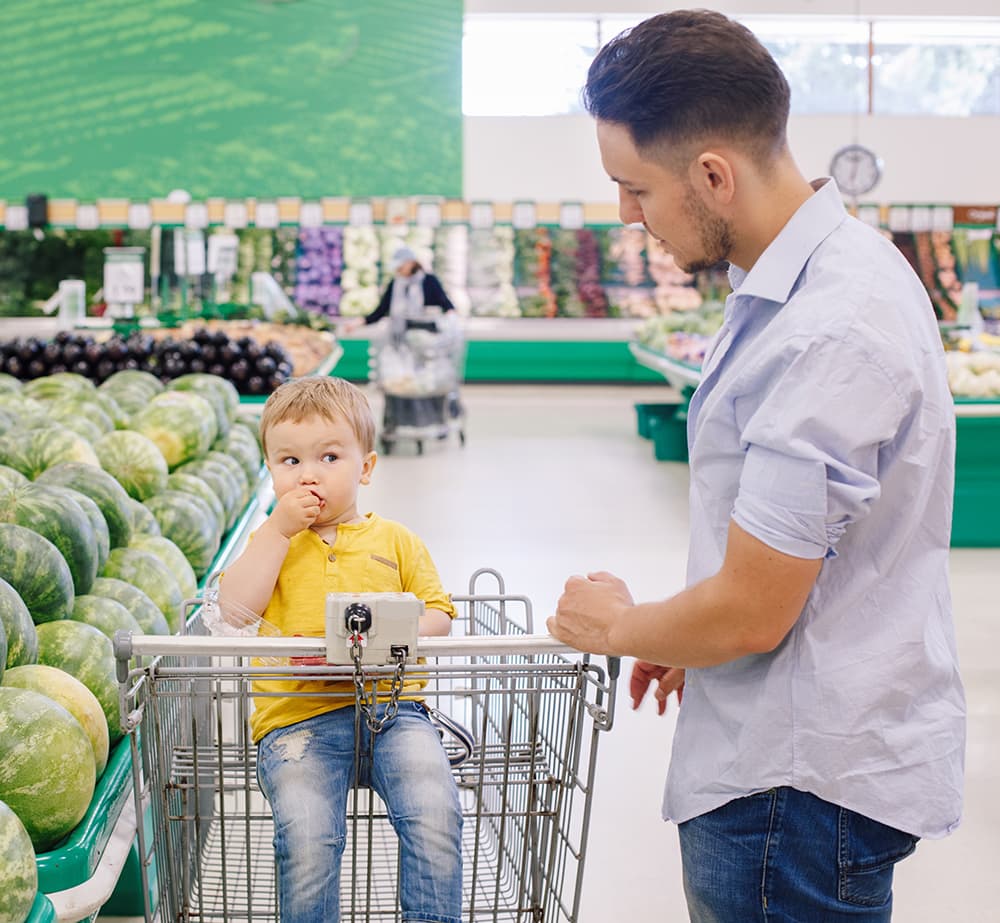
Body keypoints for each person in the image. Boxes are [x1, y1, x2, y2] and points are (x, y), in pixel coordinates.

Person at [546, 10, 965, 922]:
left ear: (711, 176)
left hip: (792, 794)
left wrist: (619, 624)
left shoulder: (828, 328)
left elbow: (753, 607)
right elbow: (804, 556)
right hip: (805, 760)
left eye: (634, 187)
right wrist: (680, 632)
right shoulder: (827, 274)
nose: (626, 214)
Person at [218, 376, 462, 923]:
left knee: (435, 812)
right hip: (297, 720)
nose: (308, 474)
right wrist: (277, 533)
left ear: (366, 468)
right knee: (308, 838)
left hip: (396, 711)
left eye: (329, 456)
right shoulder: (268, 543)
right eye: (288, 461)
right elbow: (233, 613)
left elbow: (439, 613)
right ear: (270, 472)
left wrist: (389, 636)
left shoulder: (397, 540)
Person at [342, 245, 456, 334]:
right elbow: (381, 310)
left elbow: (447, 305)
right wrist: (357, 323)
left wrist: (451, 323)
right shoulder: (395, 284)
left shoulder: (429, 281)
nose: (398, 270)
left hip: (429, 337)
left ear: (411, 263)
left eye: (400, 266)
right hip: (401, 337)